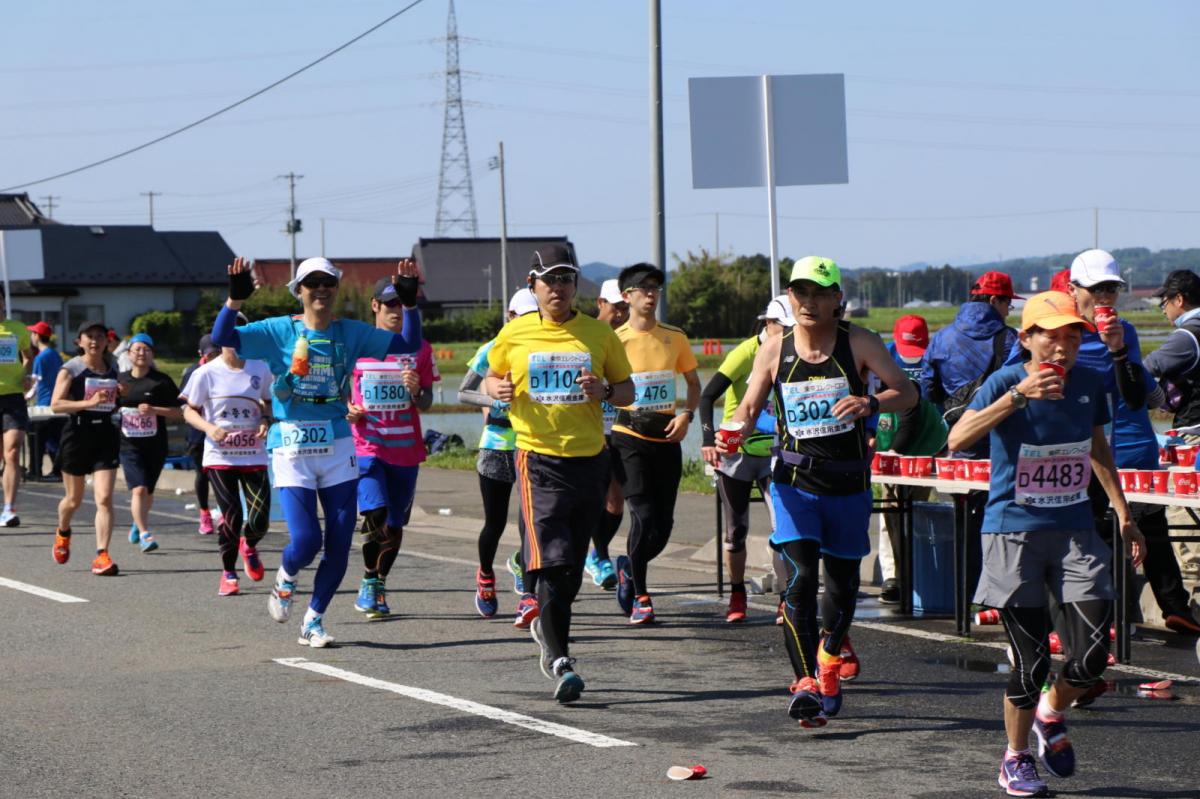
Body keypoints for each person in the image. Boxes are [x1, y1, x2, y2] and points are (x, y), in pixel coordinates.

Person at [946, 290, 1145, 797]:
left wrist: (1124, 514)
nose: (1063, 346)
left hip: (1075, 531)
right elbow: (958, 438)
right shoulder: (1006, 379)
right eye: (1051, 335)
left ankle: (1051, 714)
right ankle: (1015, 758)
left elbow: (1096, 445)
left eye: (1073, 335)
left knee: (1096, 655)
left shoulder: (1090, 381)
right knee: (1031, 663)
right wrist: (1018, 397)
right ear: (1027, 338)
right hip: (1012, 532)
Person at [717, 256, 916, 728]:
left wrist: (870, 402)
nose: (808, 302)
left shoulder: (859, 342)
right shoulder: (773, 347)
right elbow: (748, 405)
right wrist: (733, 430)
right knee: (801, 580)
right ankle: (807, 682)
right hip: (792, 482)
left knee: (843, 587)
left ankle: (830, 652)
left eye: (819, 293)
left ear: (836, 300)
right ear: (790, 298)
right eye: (800, 292)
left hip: (847, 482)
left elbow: (907, 392)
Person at [211, 256, 422, 648]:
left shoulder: (351, 333)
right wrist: (234, 301)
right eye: (312, 283)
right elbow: (226, 336)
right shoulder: (278, 330)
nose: (321, 289)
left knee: (340, 543)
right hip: (292, 446)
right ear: (300, 290)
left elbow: (409, 343)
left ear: (335, 289)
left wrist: (410, 304)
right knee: (306, 540)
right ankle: (286, 578)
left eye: (328, 282)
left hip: (338, 445)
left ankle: (314, 619)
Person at [484, 244, 634, 702]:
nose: (559, 288)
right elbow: (489, 378)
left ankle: (550, 638)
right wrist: (499, 387)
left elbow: (626, 392)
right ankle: (561, 658)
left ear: (575, 285)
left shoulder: (599, 334)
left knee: (570, 567)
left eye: (567, 279)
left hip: (590, 458)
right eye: (550, 280)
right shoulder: (515, 333)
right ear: (533, 285)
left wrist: (605, 388)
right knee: (553, 560)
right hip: (538, 458)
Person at [1063, 252, 1199, 636]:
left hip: (1129, 444)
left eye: (1112, 288)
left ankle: (1164, 610)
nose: (1106, 297)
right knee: (1101, 533)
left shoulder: (1125, 332)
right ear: (1073, 291)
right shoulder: (1060, 333)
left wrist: (1118, 350)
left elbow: (1137, 395)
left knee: (1145, 525)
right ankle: (1103, 620)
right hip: (1078, 453)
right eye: (1097, 289)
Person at [610, 262, 701, 624]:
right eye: (643, 288)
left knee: (663, 528)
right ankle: (642, 597)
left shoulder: (674, 336)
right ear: (627, 296)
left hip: (667, 436)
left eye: (656, 289)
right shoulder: (614, 340)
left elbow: (694, 384)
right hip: (628, 437)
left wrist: (687, 416)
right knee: (643, 516)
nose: (651, 295)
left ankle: (629, 567)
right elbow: (602, 389)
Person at [349, 277, 440, 619]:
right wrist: (348, 410)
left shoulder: (420, 348)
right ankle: (370, 581)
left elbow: (428, 402)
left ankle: (379, 580)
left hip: (406, 450)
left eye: (403, 304)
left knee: (395, 523)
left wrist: (416, 391)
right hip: (367, 447)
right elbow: (339, 392)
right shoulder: (356, 347)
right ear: (375, 306)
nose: (397, 311)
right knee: (375, 513)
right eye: (390, 304)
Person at [699, 295, 791, 623]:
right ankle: (738, 596)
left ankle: (787, 598)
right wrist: (709, 441)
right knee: (736, 530)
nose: (791, 333)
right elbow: (708, 395)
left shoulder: (794, 352)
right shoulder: (747, 351)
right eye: (785, 327)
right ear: (768, 324)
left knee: (785, 529)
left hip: (774, 453)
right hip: (737, 454)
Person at [457, 288, 541, 625]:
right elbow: (464, 392)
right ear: (510, 317)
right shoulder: (491, 349)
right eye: (521, 317)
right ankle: (486, 576)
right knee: (494, 522)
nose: (527, 323)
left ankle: (527, 592)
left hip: (530, 444)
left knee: (530, 523)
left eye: (533, 317)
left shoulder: (542, 349)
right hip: (495, 446)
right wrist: (495, 399)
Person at [180, 338, 273, 596]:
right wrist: (210, 428)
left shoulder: (260, 368)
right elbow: (188, 410)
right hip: (220, 456)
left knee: (260, 519)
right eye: (231, 338)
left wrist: (266, 419)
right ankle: (229, 573)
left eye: (242, 337)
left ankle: (250, 545)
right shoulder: (206, 373)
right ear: (222, 342)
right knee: (231, 516)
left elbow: (269, 400)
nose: (238, 343)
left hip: (253, 454)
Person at [50, 322, 122, 575]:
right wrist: (88, 402)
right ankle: (63, 532)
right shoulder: (70, 368)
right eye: (89, 337)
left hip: (104, 433)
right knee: (74, 499)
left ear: (106, 341)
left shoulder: (114, 367)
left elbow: (115, 401)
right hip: (77, 434)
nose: (95, 341)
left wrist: (119, 396)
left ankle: (102, 555)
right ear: (79, 341)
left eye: (100, 336)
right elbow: (56, 405)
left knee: (103, 498)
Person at [1145, 269, 1200, 596]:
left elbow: (1144, 368)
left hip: (1193, 437)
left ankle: (1194, 608)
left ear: (1180, 300)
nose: (1164, 310)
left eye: (1165, 302)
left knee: (1186, 523)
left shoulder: (1188, 335)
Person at [876, 314, 935, 605]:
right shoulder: (883, 353)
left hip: (925, 442)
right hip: (889, 440)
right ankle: (893, 576)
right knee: (889, 508)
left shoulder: (934, 356)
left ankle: (918, 574)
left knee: (918, 510)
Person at [583, 277, 630, 590]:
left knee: (616, 502)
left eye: (626, 307)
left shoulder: (629, 337)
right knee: (587, 502)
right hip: (587, 432)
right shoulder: (584, 337)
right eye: (616, 307)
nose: (621, 313)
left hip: (620, 431)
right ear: (601, 304)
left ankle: (596, 554)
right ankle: (596, 556)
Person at [118, 333, 184, 553]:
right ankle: (146, 534)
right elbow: (107, 406)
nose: (141, 353)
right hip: (128, 444)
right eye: (137, 349)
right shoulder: (120, 381)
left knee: (148, 492)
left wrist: (155, 410)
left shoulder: (161, 381)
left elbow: (180, 412)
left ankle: (138, 523)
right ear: (129, 353)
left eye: (146, 349)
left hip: (155, 444)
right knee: (139, 489)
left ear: (152, 354)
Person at [181, 335, 221, 535]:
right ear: (202, 354)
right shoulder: (193, 372)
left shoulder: (227, 370)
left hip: (223, 432)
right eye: (211, 354)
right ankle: (204, 513)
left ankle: (223, 512)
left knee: (222, 474)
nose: (215, 358)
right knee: (203, 474)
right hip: (198, 434)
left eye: (218, 353)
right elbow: (184, 405)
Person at [0, 292, 32, 527]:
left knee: (12, 450)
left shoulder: (18, 329)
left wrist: (26, 374)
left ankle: (9, 508)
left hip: (12, 396)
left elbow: (28, 356)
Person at [27, 321, 63, 481]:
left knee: (39, 440)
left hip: (43, 404)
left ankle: (36, 471)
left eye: (32, 333)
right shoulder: (55, 354)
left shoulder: (40, 357)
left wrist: (25, 396)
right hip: (56, 402)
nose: (31, 337)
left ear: (37, 336)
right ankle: (59, 471)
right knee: (54, 438)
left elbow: (35, 383)